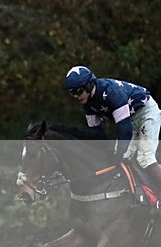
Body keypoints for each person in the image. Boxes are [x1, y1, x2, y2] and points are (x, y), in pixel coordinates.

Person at [65, 65, 161, 202]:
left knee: (145, 158)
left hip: (146, 113)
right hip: (130, 119)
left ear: (89, 86)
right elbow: (96, 133)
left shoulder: (112, 93)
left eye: (78, 91)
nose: (76, 96)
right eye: (71, 92)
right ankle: (139, 198)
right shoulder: (87, 103)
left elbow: (125, 129)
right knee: (123, 159)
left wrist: (118, 152)